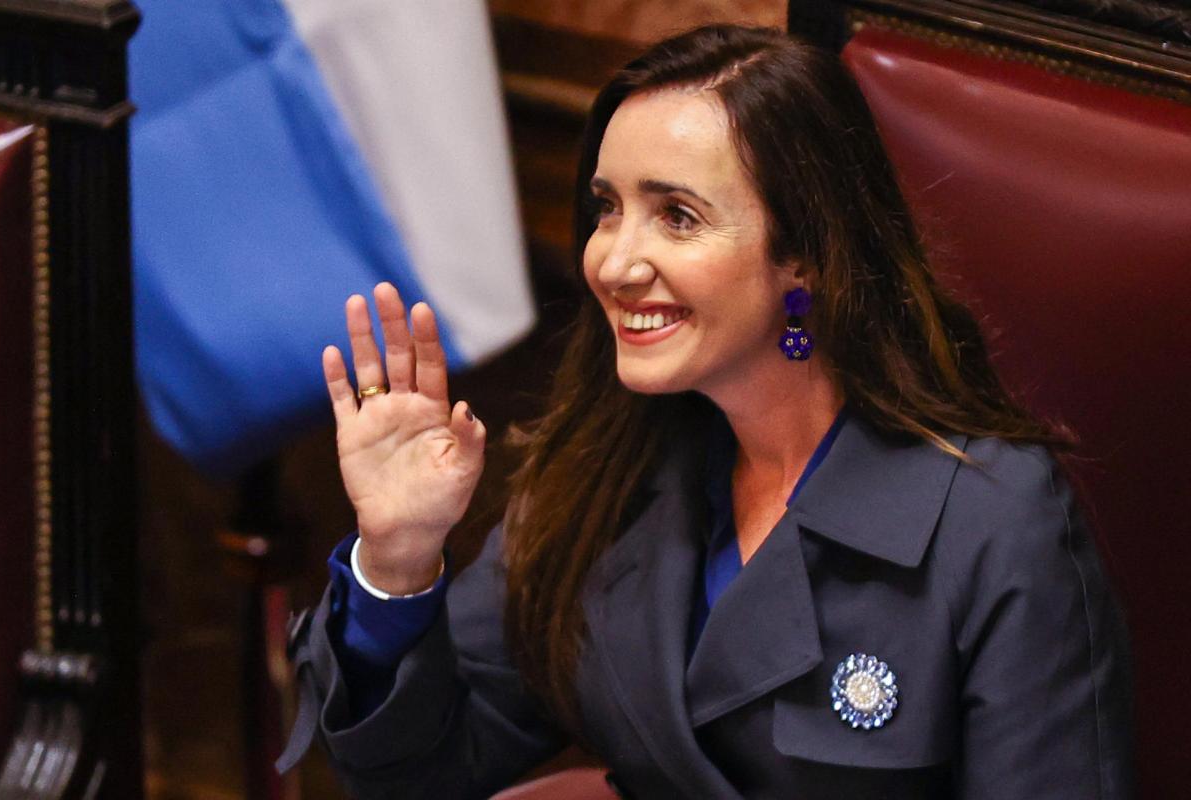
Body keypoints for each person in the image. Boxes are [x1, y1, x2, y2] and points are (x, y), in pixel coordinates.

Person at [278, 24, 1132, 799]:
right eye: (608, 209)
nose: (613, 261)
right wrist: (397, 558)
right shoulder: (605, 467)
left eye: (676, 216)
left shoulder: (995, 519)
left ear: (805, 255)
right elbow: (422, 773)